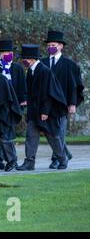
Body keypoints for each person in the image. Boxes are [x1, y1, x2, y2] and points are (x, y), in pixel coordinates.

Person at [17, 44, 68, 171]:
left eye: (26, 58)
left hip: (46, 111)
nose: (24, 61)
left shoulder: (45, 71)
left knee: (52, 137)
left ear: (33, 59)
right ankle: (29, 162)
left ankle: (62, 158)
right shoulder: (30, 71)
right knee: (31, 136)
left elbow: (48, 93)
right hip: (34, 111)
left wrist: (45, 111)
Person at [41, 31, 84, 169]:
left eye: (53, 45)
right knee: (50, 133)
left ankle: (57, 159)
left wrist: (72, 103)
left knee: (58, 132)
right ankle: (65, 153)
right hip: (45, 104)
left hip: (62, 104)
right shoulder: (42, 63)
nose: (50, 47)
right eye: (48, 45)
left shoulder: (69, 65)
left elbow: (74, 86)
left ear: (60, 46)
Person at [0, 39, 27, 170]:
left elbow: (22, 86)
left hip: (13, 105)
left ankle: (9, 159)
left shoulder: (17, 69)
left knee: (7, 133)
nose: (7, 54)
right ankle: (4, 158)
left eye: (10, 52)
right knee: (2, 133)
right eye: (4, 52)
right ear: (0, 54)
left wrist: (23, 101)